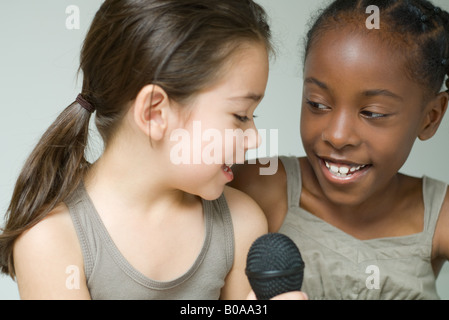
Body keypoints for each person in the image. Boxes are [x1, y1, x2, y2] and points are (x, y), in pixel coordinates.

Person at [0, 0, 285, 300]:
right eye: (240, 115)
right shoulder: (51, 240)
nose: (255, 139)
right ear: (155, 113)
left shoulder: (242, 223)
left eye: (254, 116)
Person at [230, 0, 449, 299]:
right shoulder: (258, 185)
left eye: (372, 112)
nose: (337, 135)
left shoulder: (440, 217)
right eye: (317, 104)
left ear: (431, 117)